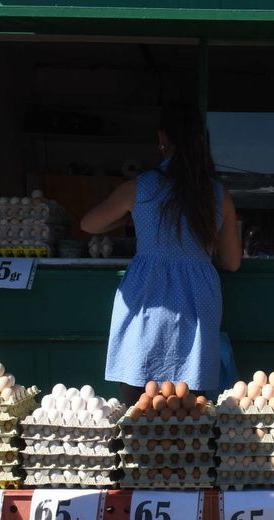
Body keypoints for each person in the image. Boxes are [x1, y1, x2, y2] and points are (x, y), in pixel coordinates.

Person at [81, 106, 241, 402]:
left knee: (137, 396)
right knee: (190, 404)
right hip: (197, 295)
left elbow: (89, 224)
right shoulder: (217, 194)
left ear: (163, 139)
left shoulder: (140, 187)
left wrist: (130, 217)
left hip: (148, 293)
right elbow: (232, 261)